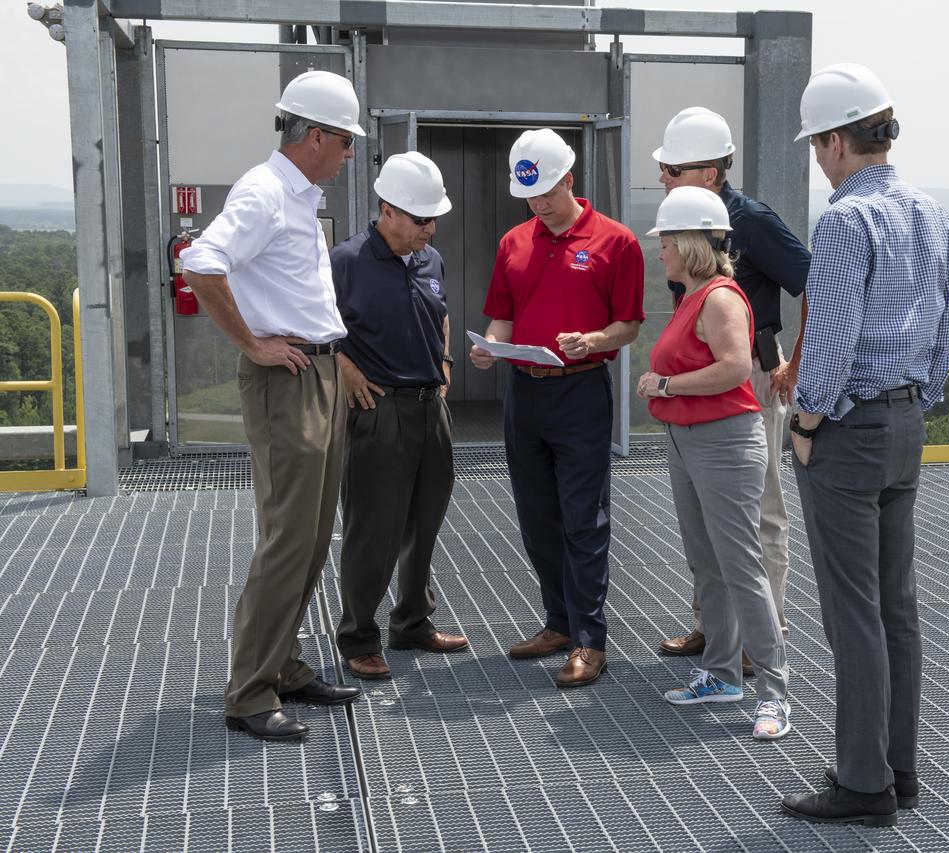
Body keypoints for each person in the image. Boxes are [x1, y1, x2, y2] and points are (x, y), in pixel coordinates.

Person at [780, 64, 949, 824]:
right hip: (908, 421)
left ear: (835, 141)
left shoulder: (847, 221)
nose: (819, 159)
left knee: (852, 613)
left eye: (819, 144)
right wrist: (922, 399)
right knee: (897, 609)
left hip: (849, 430)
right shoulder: (930, 212)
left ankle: (863, 784)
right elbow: (948, 323)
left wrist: (806, 423)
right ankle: (898, 768)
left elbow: (832, 336)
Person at [181, 70, 366, 741]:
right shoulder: (264, 192)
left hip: (317, 374)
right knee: (289, 538)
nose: (349, 155)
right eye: (344, 142)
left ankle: (283, 664)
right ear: (314, 134)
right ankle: (250, 690)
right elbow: (201, 263)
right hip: (286, 381)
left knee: (312, 536)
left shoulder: (298, 193)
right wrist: (252, 343)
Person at [470, 128, 644, 688]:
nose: (539, 205)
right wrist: (489, 347)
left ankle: (591, 640)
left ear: (570, 179)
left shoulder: (618, 242)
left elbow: (630, 324)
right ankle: (559, 621)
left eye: (546, 193)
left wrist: (591, 341)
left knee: (583, 519)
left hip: (581, 391)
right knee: (537, 515)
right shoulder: (514, 241)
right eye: (530, 197)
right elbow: (503, 313)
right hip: (524, 392)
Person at [651, 108, 811, 667]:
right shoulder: (688, 220)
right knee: (703, 513)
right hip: (701, 382)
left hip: (752, 379)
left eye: (674, 169)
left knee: (760, 510)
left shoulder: (752, 221)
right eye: (665, 169)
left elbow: (813, 282)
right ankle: (715, 627)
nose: (665, 178)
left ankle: (762, 637)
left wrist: (792, 365)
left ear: (712, 173)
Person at [637, 186, 791, 740]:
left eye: (666, 244)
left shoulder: (721, 298)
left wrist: (665, 384)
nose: (661, 253)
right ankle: (723, 673)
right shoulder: (695, 296)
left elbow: (732, 369)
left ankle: (774, 690)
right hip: (688, 440)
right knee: (709, 564)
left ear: (689, 243)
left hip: (723, 442)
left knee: (741, 566)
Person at [330, 152, 467, 681]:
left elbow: (442, 312)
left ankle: (411, 621)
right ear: (387, 210)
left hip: (431, 408)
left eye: (434, 219)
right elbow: (315, 326)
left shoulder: (429, 259)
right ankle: (358, 636)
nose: (429, 229)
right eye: (419, 219)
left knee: (424, 521)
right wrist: (343, 366)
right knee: (373, 529)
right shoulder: (345, 261)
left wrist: (447, 361)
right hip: (378, 412)